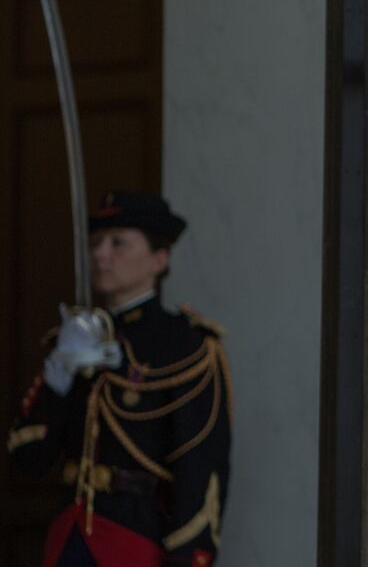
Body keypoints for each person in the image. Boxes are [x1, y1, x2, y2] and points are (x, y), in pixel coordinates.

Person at [7, 191, 231, 567]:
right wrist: (60, 371)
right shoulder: (72, 339)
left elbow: (200, 467)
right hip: (70, 537)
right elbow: (29, 458)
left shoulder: (184, 344)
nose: (101, 254)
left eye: (118, 243)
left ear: (159, 259)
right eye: (96, 243)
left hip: (135, 541)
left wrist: (189, 558)